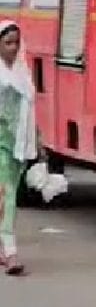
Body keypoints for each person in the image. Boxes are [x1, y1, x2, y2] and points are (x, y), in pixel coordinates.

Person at [0, 20, 37, 276]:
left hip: (17, 144)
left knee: (4, 195)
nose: (13, 48)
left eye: (16, 42)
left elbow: (29, 111)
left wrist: (37, 140)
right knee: (8, 194)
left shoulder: (23, 72)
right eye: (7, 43)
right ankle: (11, 251)